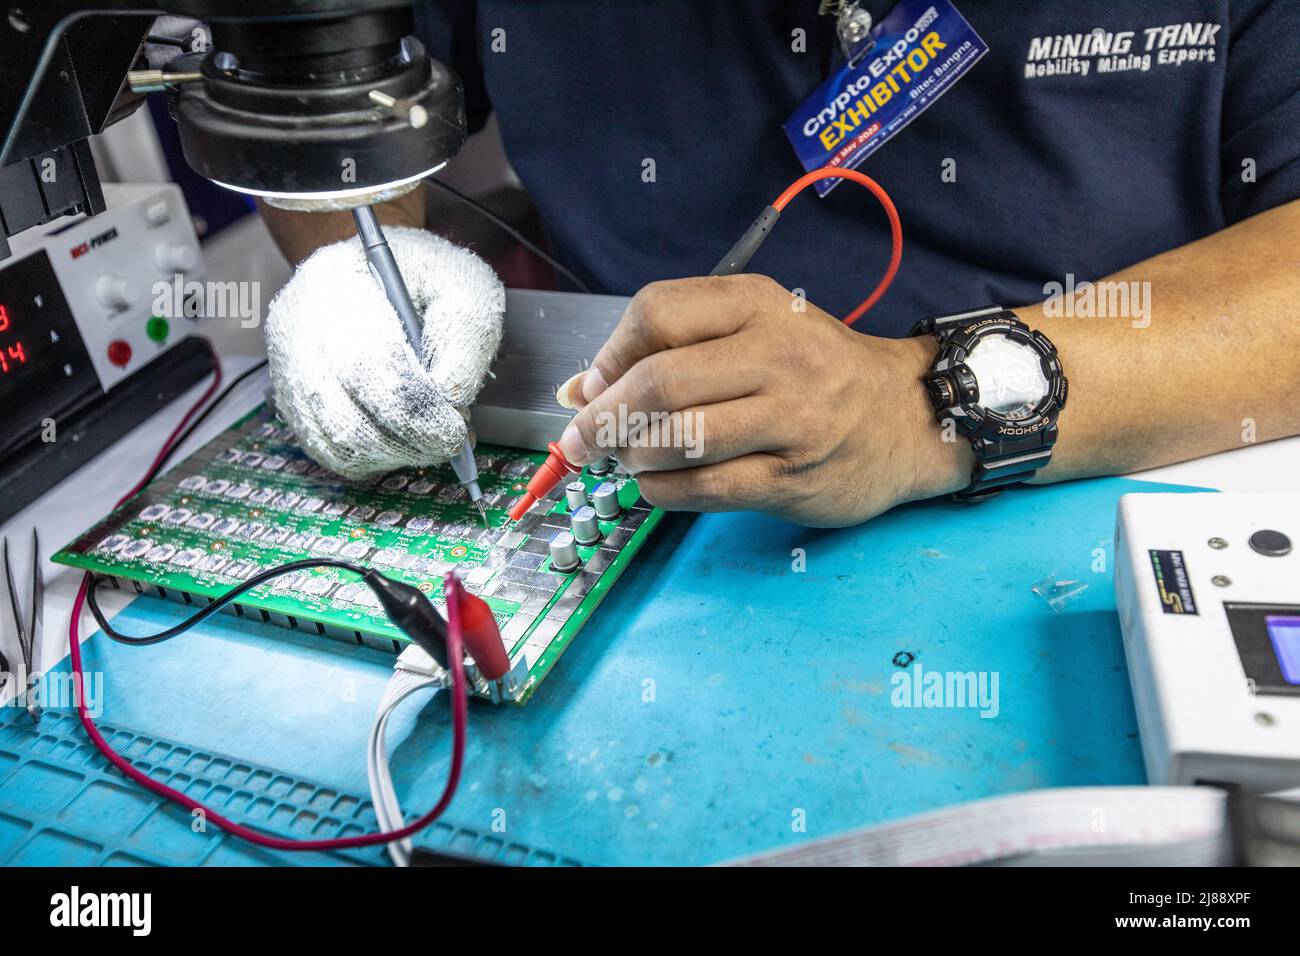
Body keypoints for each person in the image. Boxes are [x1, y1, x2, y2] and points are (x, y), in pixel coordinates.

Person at [261, 1, 1300, 527]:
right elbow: (332, 89)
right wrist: (356, 265)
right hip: (632, 482)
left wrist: (923, 404)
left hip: (1132, 474)